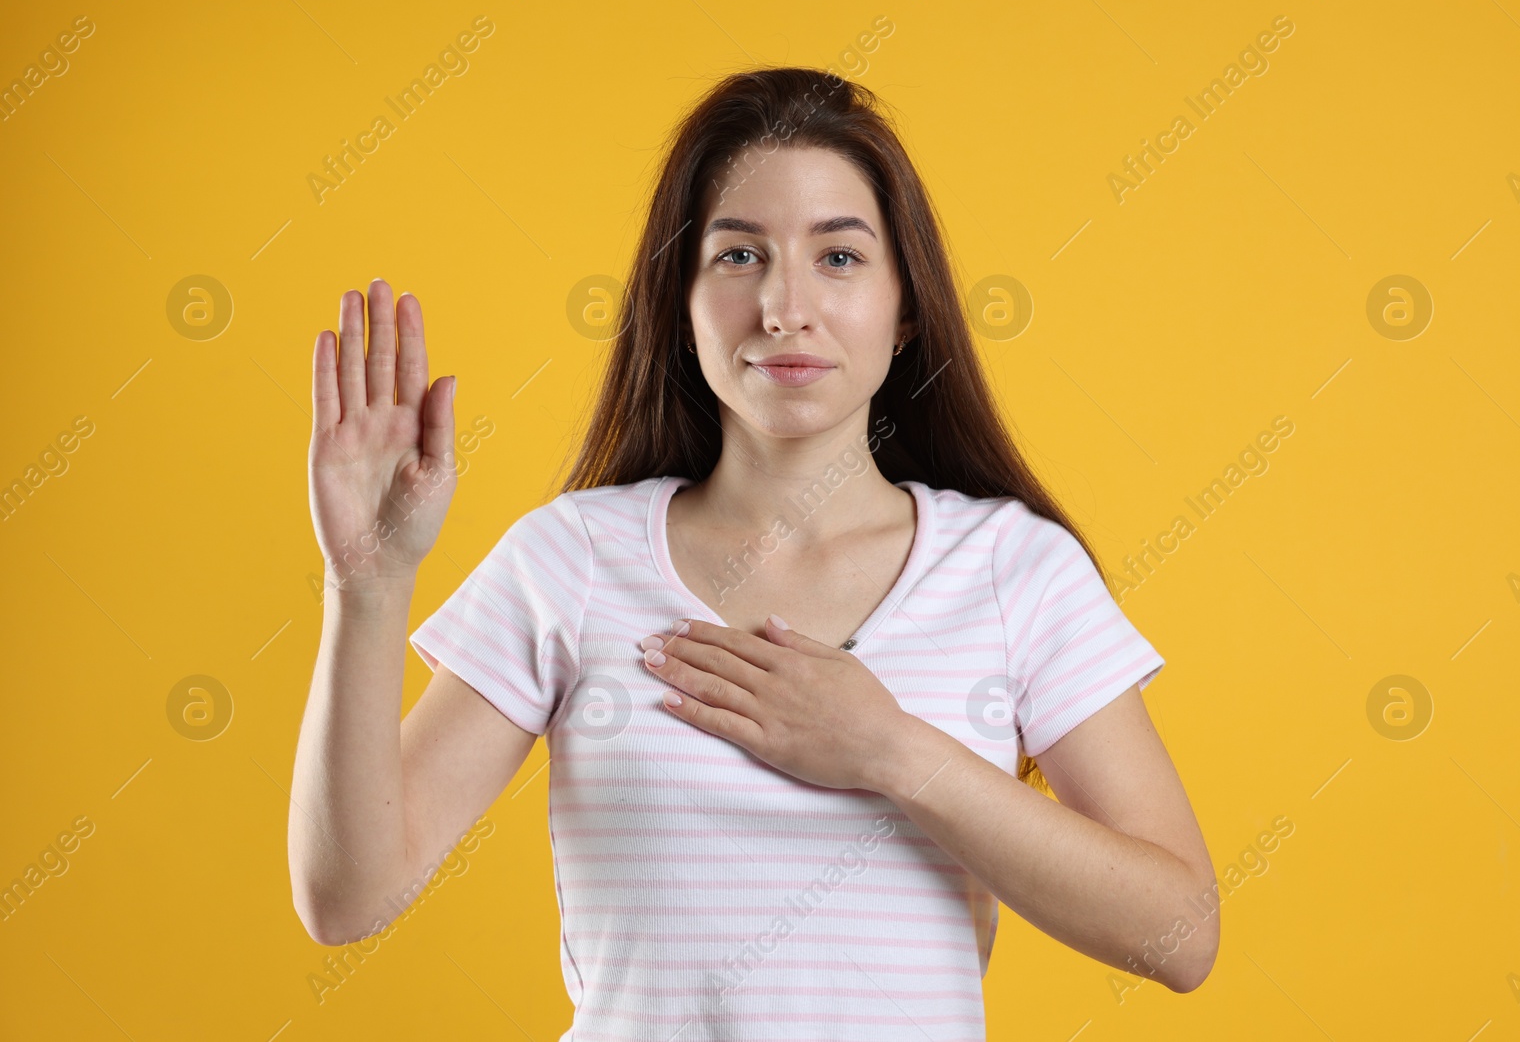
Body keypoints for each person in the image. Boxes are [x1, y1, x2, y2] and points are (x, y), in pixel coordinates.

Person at [289, 66, 1218, 1038]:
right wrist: (365, 585)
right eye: (737, 256)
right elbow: (348, 895)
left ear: (907, 306)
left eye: (840, 258)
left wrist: (891, 751)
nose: (783, 307)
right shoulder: (569, 559)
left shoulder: (1011, 569)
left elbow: (1181, 935)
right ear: (678, 301)